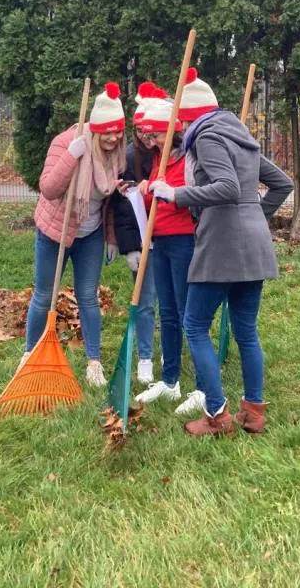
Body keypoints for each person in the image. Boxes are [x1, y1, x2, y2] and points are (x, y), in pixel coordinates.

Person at [150, 69, 293, 436]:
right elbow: (282, 184)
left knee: (195, 324)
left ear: (190, 115)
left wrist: (176, 194)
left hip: (221, 247)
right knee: (246, 331)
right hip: (253, 246)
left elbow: (227, 187)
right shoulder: (241, 137)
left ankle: (217, 414)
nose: (181, 128)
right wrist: (253, 216)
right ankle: (254, 412)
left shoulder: (208, 137)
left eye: (182, 121)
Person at [23, 82, 128, 387]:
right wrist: (71, 156)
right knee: (44, 294)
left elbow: (108, 203)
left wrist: (111, 237)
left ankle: (94, 362)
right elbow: (49, 189)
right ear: (95, 129)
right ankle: (29, 355)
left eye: (118, 131)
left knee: (88, 295)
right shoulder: (66, 142)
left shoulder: (116, 154)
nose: (113, 138)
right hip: (55, 231)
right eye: (107, 132)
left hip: (90, 233)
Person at [133, 97, 197, 405]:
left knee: (187, 313)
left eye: (156, 135)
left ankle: (203, 386)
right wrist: (145, 191)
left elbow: (193, 198)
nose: (151, 141)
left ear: (172, 132)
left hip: (184, 241)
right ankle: (170, 381)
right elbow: (155, 202)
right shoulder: (159, 158)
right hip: (158, 241)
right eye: (149, 135)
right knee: (167, 312)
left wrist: (171, 193)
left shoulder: (188, 160)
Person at [117, 81, 164, 384]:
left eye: (152, 132)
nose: (148, 138)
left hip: (171, 237)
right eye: (141, 132)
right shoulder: (129, 158)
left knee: (170, 302)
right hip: (141, 240)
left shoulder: (171, 154)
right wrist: (130, 246)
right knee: (145, 301)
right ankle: (145, 356)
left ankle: (169, 350)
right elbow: (123, 208)